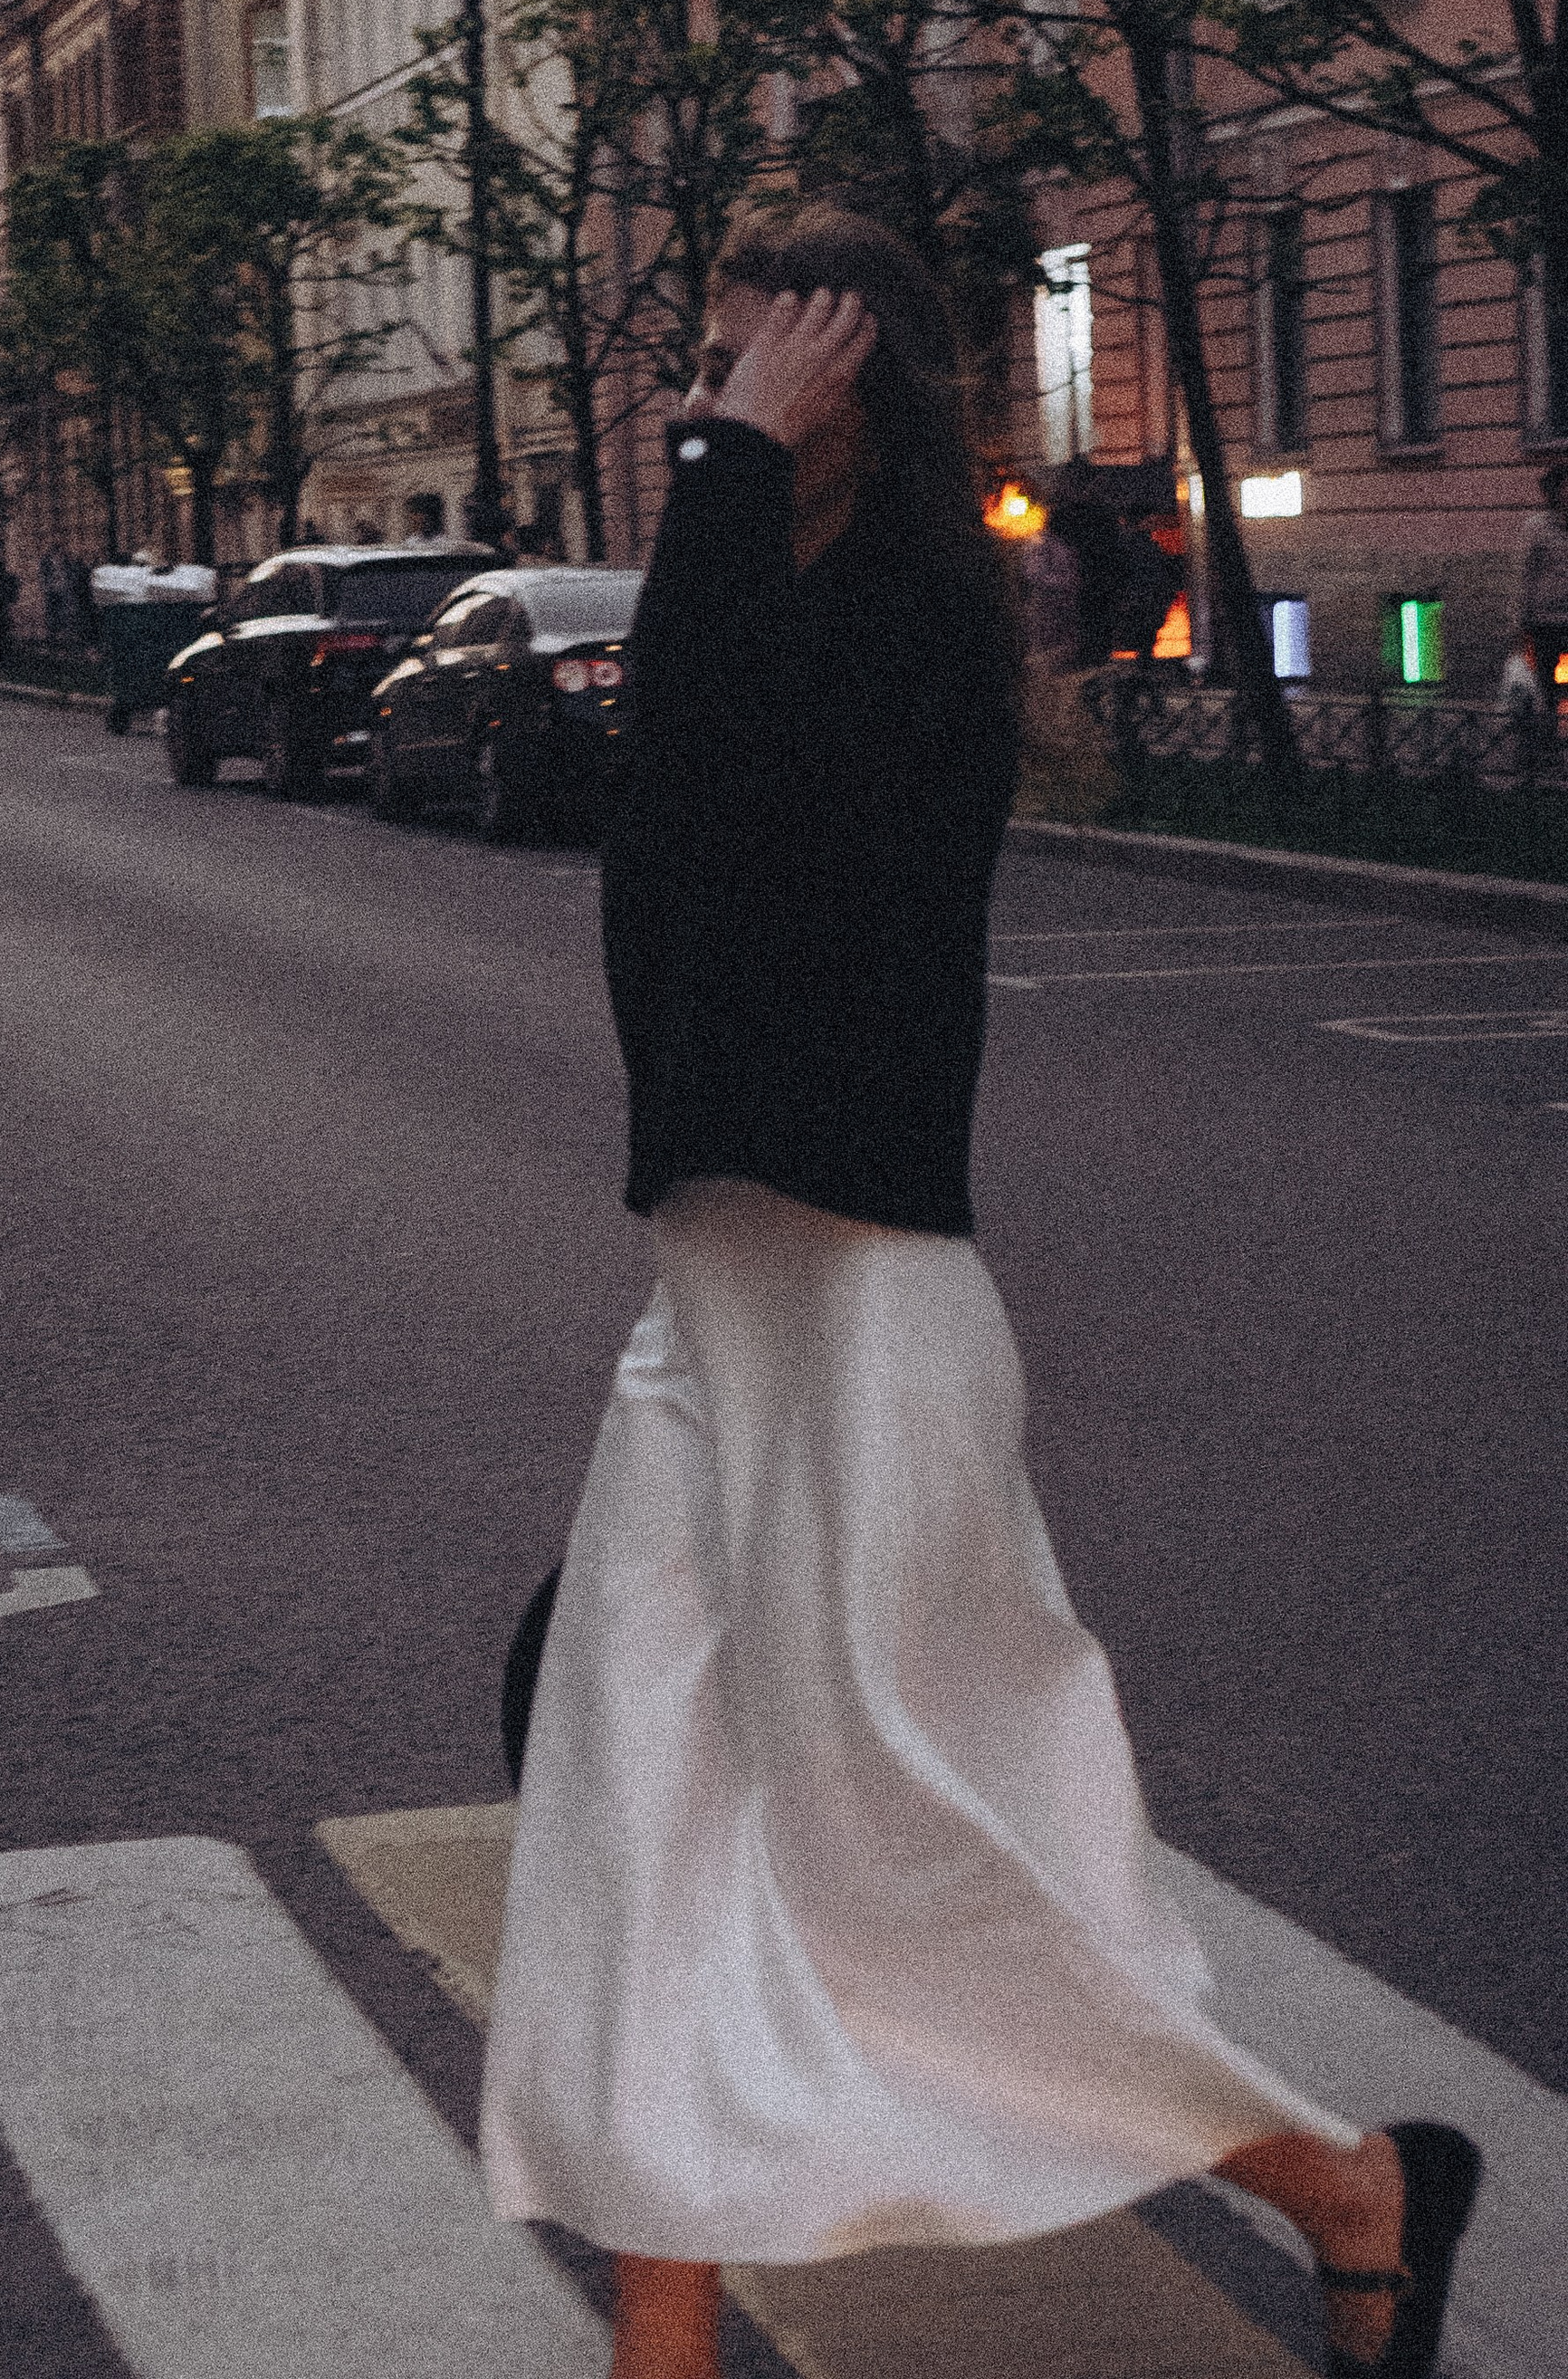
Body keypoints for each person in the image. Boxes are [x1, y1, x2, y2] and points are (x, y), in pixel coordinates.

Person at [478, 202, 1479, 2379]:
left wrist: (725, 480)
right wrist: (729, 486)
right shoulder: (763, 580)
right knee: (634, 1810)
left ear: (850, 379)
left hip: (851, 1303)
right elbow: (662, 815)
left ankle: (1336, 2175)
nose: (699, 398)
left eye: (746, 362)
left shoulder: (917, 628)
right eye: (706, 367)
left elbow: (735, 803)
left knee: (883, 1833)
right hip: (712, 1288)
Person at [1515, 457, 1568, 742]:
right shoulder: (1537, 528)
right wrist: (1520, 621)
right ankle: (1545, 740)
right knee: (1546, 683)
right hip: (1546, 619)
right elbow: (1526, 574)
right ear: (1554, 492)